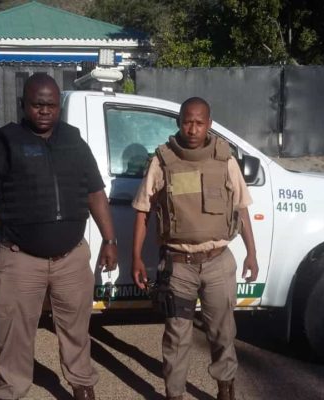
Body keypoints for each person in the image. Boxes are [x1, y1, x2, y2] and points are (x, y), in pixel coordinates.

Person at [0, 73, 117, 400]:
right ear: (24, 105)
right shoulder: (4, 144)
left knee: (76, 330)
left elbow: (95, 193)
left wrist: (110, 239)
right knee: (14, 335)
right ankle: (11, 390)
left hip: (71, 258)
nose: (45, 111)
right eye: (37, 105)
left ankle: (82, 384)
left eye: (51, 105)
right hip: (19, 259)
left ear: (59, 107)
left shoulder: (74, 142)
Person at [131, 97, 258, 400]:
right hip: (178, 266)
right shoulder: (162, 161)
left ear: (209, 124)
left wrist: (252, 253)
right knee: (177, 336)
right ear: (178, 122)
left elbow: (241, 209)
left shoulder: (224, 159)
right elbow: (143, 211)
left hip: (218, 262)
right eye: (187, 121)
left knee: (222, 333)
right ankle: (174, 393)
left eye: (199, 122)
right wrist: (135, 257)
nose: (193, 128)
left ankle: (225, 389)